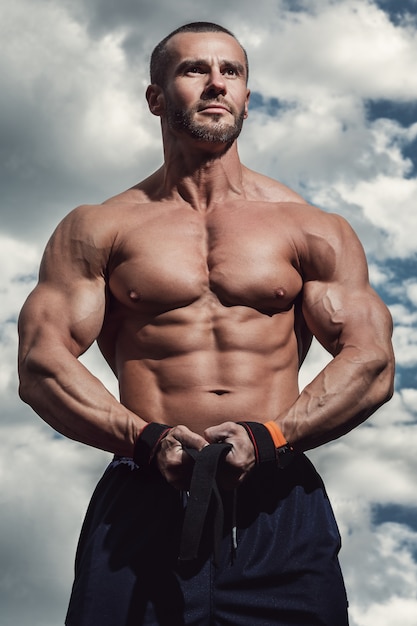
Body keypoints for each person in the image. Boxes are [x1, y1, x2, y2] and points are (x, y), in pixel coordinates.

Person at [18, 21, 394, 626]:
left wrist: (269, 437)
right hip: (144, 492)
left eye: (232, 72)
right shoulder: (98, 227)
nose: (216, 84)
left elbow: (371, 361)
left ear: (247, 96)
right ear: (157, 97)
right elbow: (42, 365)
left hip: (276, 496)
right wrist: (143, 440)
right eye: (195, 70)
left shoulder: (310, 226)